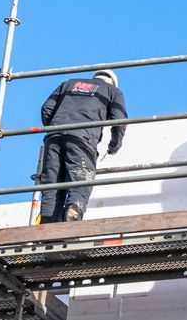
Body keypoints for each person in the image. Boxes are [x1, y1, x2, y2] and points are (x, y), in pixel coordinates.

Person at [36, 69, 127, 223]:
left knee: (51, 186)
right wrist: (114, 146)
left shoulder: (69, 83)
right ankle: (72, 215)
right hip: (82, 139)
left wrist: (56, 127)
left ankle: (46, 228)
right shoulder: (113, 91)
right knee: (80, 181)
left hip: (53, 137)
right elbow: (119, 120)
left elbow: (47, 109)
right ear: (112, 82)